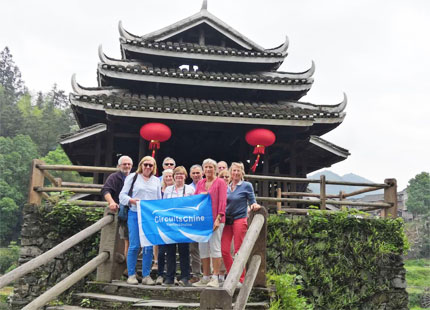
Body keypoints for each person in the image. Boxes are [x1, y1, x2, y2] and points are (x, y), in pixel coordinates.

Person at [119, 156, 161, 285]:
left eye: (151, 165)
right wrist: (131, 200)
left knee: (148, 246)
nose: (148, 167)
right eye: (146, 164)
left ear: (154, 167)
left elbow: (159, 199)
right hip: (134, 213)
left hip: (149, 216)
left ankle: (146, 275)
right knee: (134, 245)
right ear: (141, 165)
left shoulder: (156, 181)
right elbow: (122, 195)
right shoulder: (133, 177)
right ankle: (131, 274)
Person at [221, 162, 261, 286]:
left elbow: (252, 200)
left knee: (238, 250)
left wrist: (254, 205)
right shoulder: (226, 186)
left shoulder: (246, 185)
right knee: (224, 250)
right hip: (227, 220)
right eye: (234, 171)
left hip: (240, 218)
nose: (236, 173)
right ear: (230, 172)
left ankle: (241, 278)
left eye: (238, 171)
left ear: (242, 172)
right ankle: (231, 275)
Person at [193, 159, 227, 288]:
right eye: (206, 167)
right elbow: (195, 200)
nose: (208, 170)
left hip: (215, 220)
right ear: (203, 169)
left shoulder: (220, 182)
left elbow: (223, 201)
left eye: (211, 167)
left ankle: (215, 277)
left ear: (215, 169)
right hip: (202, 221)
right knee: (203, 249)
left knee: (215, 247)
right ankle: (205, 277)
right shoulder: (201, 183)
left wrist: (218, 218)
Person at [162, 166, 195, 286]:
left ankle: (185, 276)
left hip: (184, 224)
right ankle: (169, 277)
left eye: (181, 174)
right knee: (170, 251)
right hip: (170, 224)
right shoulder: (168, 190)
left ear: (185, 176)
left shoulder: (190, 189)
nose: (179, 177)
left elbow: (193, 206)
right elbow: (163, 205)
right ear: (173, 176)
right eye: (176, 174)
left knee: (184, 251)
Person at [101, 155, 133, 269]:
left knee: (131, 241)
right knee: (126, 241)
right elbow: (106, 190)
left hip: (133, 211)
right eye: (124, 164)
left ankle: (129, 268)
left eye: (129, 164)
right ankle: (127, 269)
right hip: (120, 212)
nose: (127, 166)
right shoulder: (114, 177)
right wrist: (111, 202)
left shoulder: (134, 178)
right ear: (119, 166)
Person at [156, 168, 174, 285]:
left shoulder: (177, 189)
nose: (168, 178)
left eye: (170, 176)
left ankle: (171, 275)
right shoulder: (158, 189)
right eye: (165, 176)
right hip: (161, 222)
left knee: (172, 251)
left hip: (174, 223)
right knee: (161, 251)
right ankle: (160, 274)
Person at [188, 164, 204, 282]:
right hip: (192, 221)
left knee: (207, 248)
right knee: (193, 248)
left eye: (198, 173)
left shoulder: (208, 185)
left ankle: (209, 273)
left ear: (202, 173)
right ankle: (196, 273)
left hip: (205, 220)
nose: (196, 175)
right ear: (190, 175)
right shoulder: (188, 188)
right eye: (193, 173)